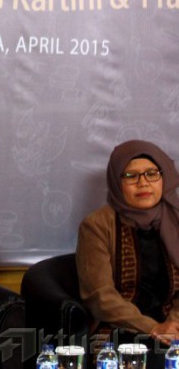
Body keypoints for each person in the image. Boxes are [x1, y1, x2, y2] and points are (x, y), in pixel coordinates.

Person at [76, 140, 179, 365]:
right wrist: (153, 327)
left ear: (164, 177)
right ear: (116, 182)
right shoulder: (96, 225)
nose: (143, 183)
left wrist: (173, 324)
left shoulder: (176, 219)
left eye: (152, 173)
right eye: (131, 176)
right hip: (119, 326)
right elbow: (99, 296)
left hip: (173, 325)